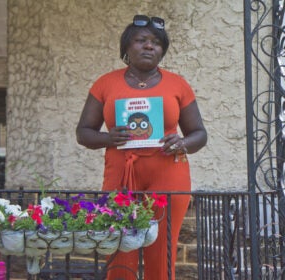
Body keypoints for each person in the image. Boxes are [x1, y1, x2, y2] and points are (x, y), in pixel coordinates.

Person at [76, 14, 207, 280]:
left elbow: (199, 134)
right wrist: (107, 138)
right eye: (141, 40)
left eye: (157, 43)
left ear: (162, 51)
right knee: (119, 246)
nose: (150, 46)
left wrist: (181, 143)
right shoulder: (105, 83)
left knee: (162, 250)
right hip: (121, 173)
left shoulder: (177, 84)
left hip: (169, 172)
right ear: (127, 47)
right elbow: (84, 133)